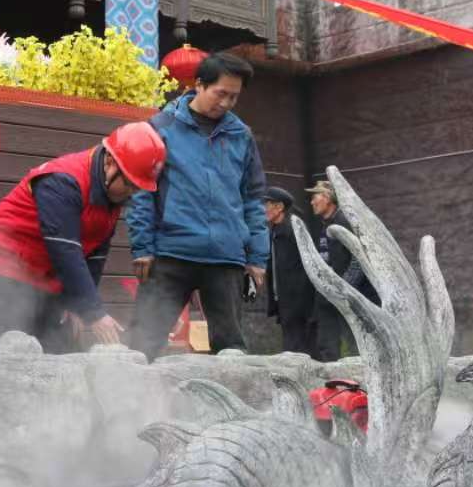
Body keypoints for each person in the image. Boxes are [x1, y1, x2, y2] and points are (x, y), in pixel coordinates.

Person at [0, 122, 165, 352]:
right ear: (110, 162)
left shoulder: (111, 195)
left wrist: (77, 305)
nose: (131, 193)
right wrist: (93, 312)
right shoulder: (63, 181)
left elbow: (96, 253)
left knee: (61, 344)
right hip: (5, 261)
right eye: (129, 184)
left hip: (49, 268)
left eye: (137, 189)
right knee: (14, 343)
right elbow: (65, 251)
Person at [126, 52, 269, 356]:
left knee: (231, 348)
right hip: (171, 252)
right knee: (143, 343)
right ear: (200, 84)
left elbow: (253, 199)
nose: (227, 103)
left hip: (226, 256)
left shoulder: (241, 136)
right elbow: (143, 190)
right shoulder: (160, 127)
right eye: (221, 93)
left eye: (234, 97)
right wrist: (142, 247)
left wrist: (257, 258)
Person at [304, 179, 376, 361]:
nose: (312, 202)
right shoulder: (325, 224)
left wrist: (345, 288)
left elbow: (359, 259)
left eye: (315, 197)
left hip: (348, 296)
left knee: (354, 346)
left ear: (328, 198)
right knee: (327, 344)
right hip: (329, 294)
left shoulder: (344, 221)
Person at [262, 186, 315, 356]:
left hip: (298, 301)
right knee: (291, 345)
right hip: (284, 300)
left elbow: (308, 264)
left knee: (297, 349)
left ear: (279, 207)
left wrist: (299, 299)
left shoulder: (294, 228)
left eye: (267, 204)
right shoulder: (274, 230)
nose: (263, 209)